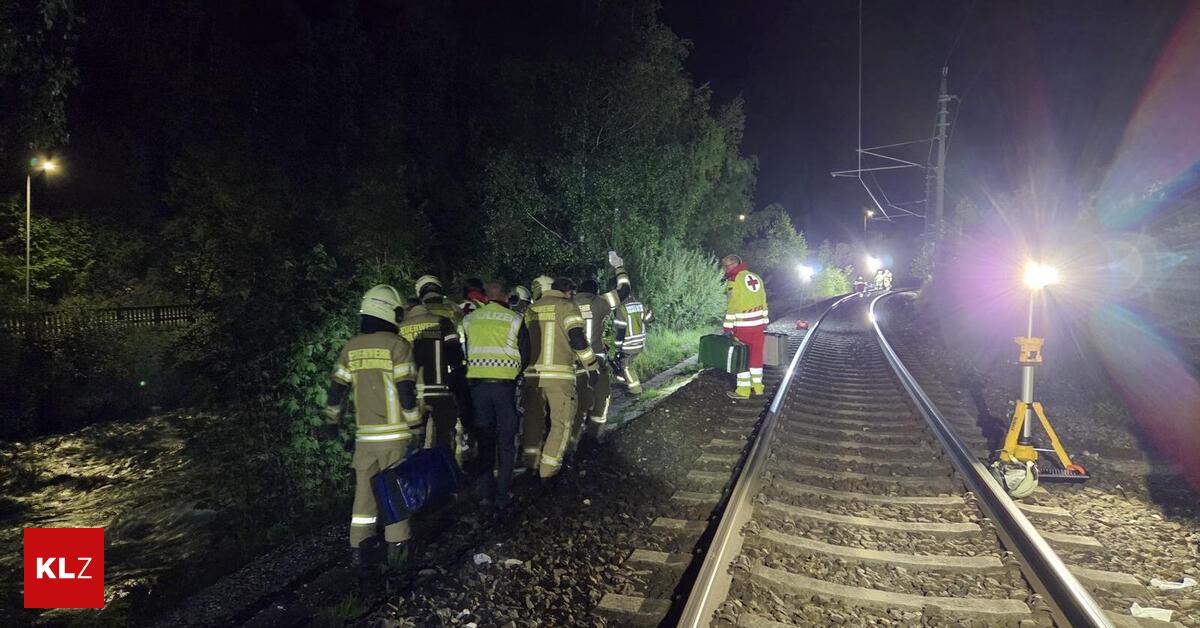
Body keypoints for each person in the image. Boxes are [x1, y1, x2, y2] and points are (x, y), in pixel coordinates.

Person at [321, 285, 422, 568]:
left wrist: (331, 421)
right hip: (394, 436)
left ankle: (359, 552)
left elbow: (336, 390)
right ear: (389, 312)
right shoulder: (398, 346)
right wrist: (416, 425)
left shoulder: (350, 347)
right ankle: (397, 553)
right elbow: (406, 391)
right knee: (395, 494)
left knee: (364, 498)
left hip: (365, 439)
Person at [462, 281, 530, 512]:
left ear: (485, 297)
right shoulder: (515, 319)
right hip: (504, 389)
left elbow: (467, 350)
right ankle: (502, 495)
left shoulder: (470, 319)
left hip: (478, 389)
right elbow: (526, 354)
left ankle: (485, 495)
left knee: (485, 442)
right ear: (506, 296)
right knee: (506, 442)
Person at [521, 276, 598, 479]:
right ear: (568, 292)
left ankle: (530, 464)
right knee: (561, 424)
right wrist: (592, 366)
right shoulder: (567, 307)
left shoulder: (531, 309)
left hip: (532, 376)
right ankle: (549, 472)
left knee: (533, 420)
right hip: (559, 377)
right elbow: (578, 339)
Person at [571, 252, 631, 446]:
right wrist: (619, 266)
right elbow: (624, 290)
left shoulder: (566, 304)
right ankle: (593, 439)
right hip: (596, 361)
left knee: (576, 404)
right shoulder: (599, 302)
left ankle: (570, 443)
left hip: (570, 363)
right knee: (601, 399)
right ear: (595, 292)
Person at [398, 292, 465, 452]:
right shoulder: (442, 322)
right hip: (440, 390)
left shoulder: (400, 328)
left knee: (414, 439)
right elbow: (455, 355)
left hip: (412, 392)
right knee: (444, 437)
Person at [721, 255, 769, 399]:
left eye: (726, 266)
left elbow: (732, 305)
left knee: (742, 358)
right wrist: (764, 321)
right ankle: (758, 387)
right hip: (758, 326)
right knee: (756, 356)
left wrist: (727, 327)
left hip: (743, 327)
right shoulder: (756, 277)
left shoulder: (734, 281)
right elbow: (764, 301)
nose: (725, 269)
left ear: (734, 264)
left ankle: (743, 390)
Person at [613, 293, 653, 394]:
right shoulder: (640, 306)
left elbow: (620, 330)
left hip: (628, 345)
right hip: (640, 342)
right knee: (629, 364)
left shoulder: (621, 309)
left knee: (625, 366)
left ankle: (635, 391)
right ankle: (630, 383)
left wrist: (618, 347)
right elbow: (651, 319)